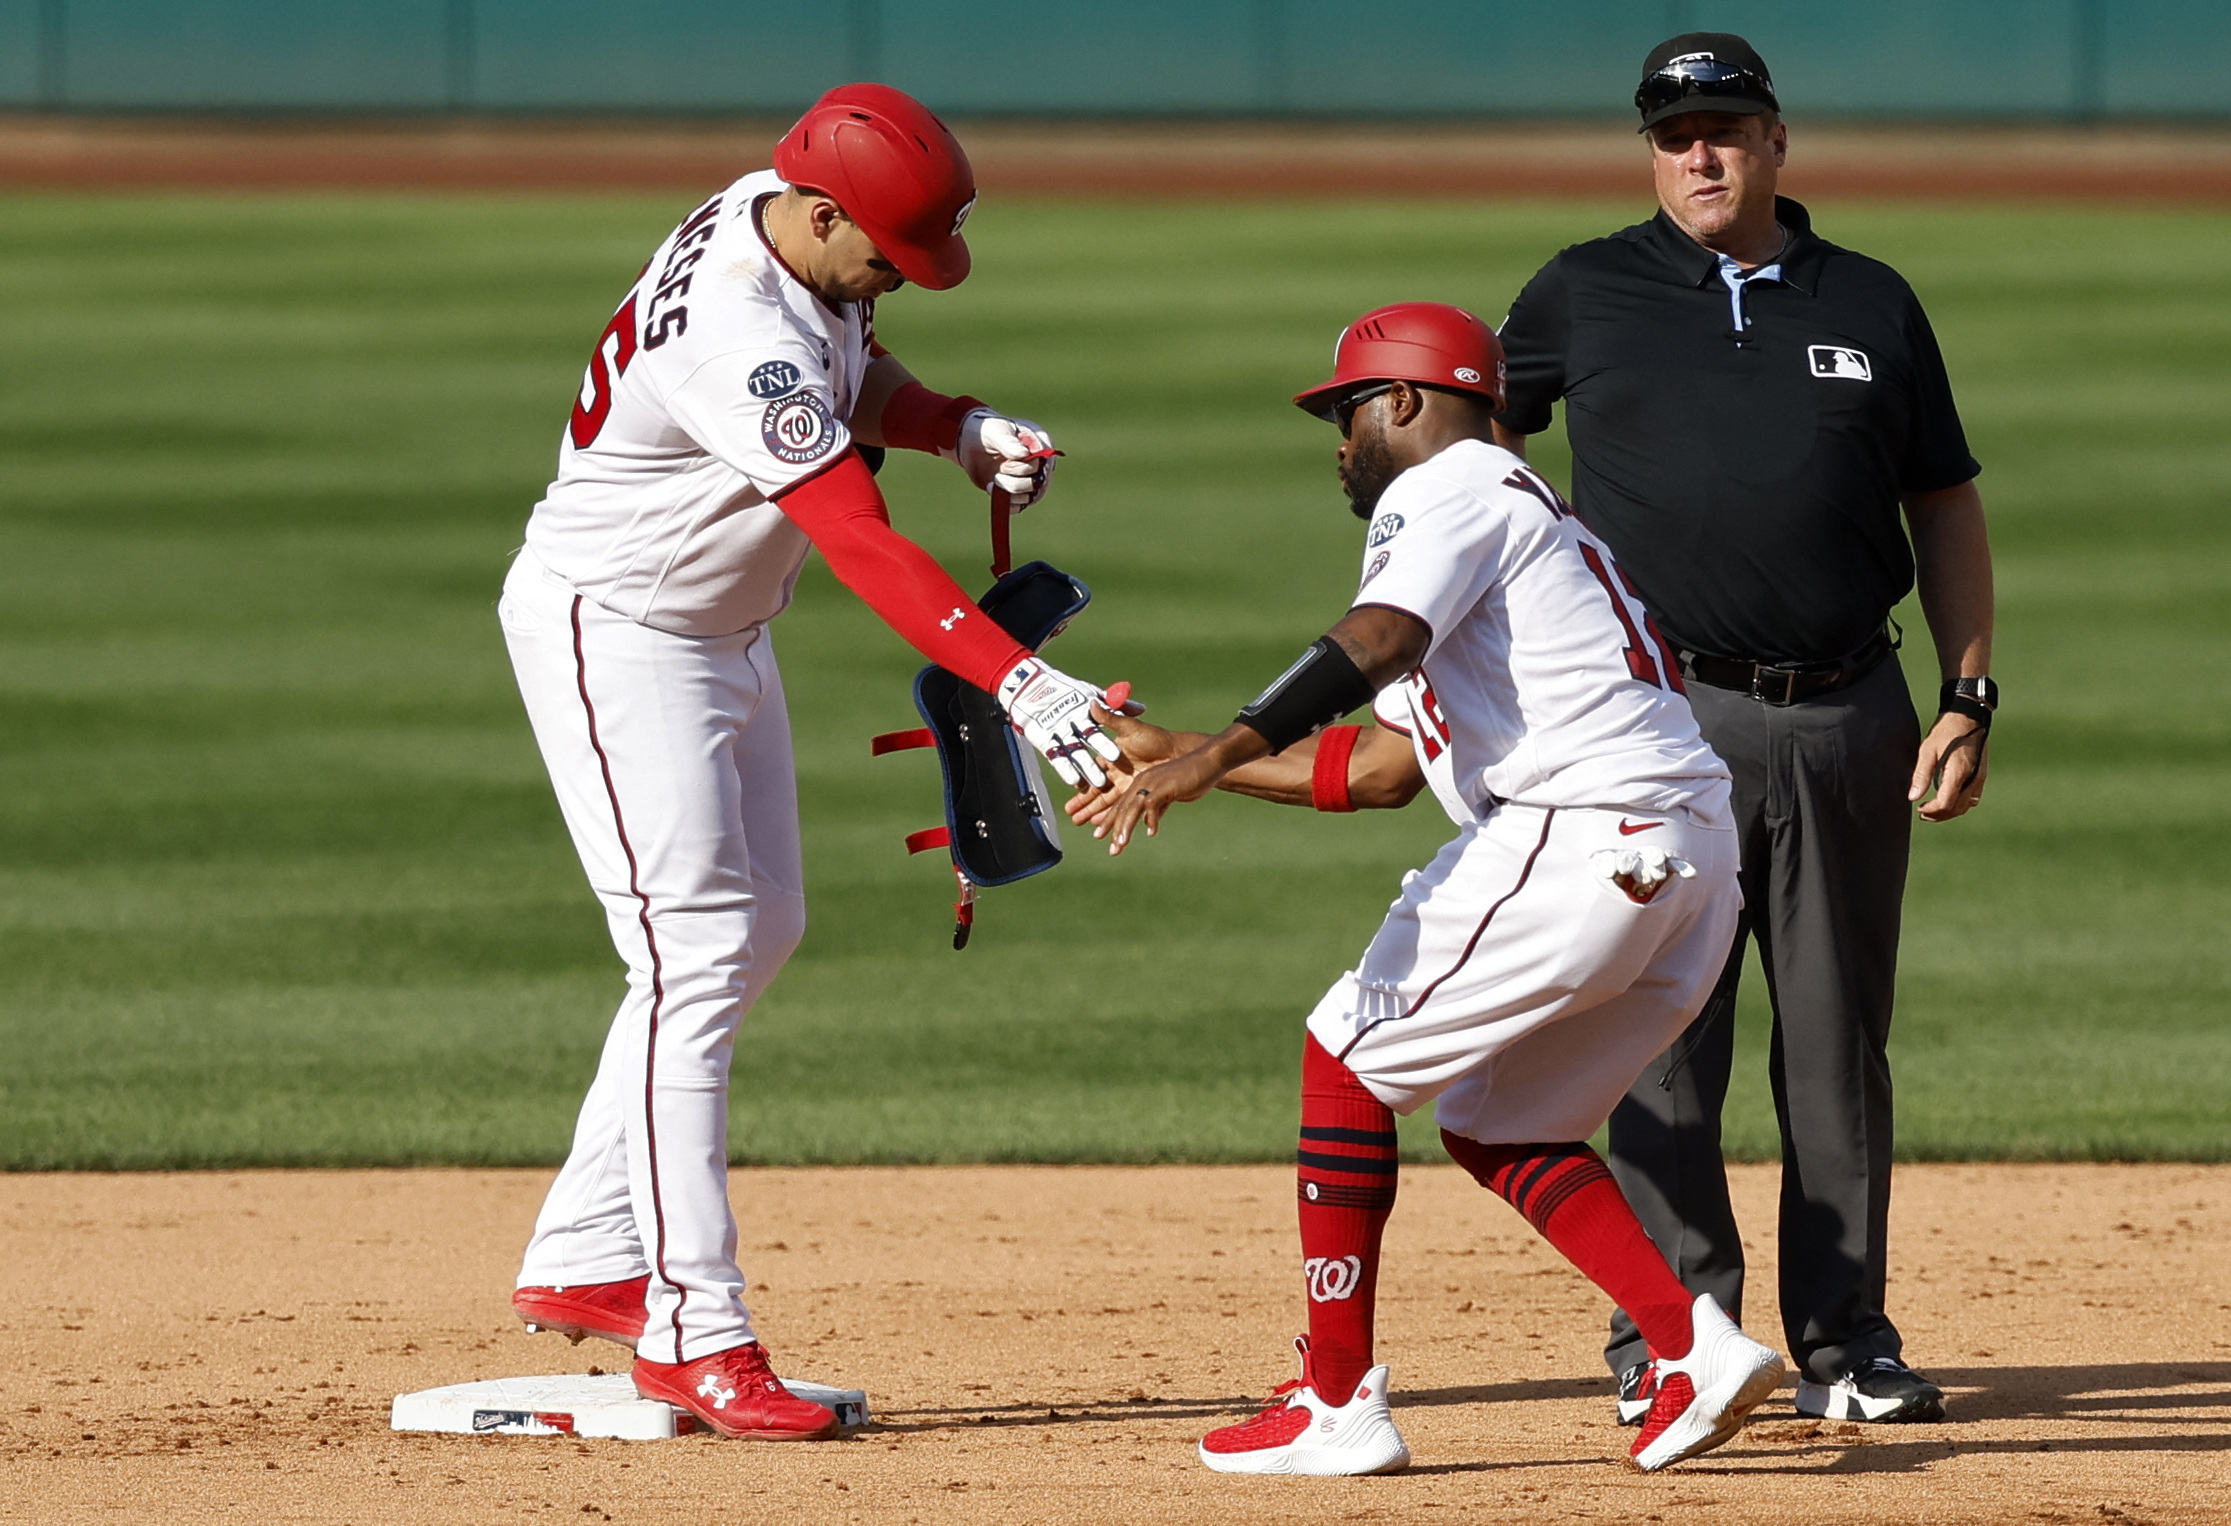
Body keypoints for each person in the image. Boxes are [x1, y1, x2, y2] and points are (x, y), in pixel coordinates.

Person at [496, 84, 1124, 1441]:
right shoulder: (734, 324)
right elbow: (854, 533)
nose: (902, 274)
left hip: (714, 626)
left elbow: (855, 370)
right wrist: (1014, 676)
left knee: (756, 924)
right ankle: (690, 1327)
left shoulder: (777, 215)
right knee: (693, 948)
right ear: (827, 210)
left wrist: (952, 420)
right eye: (891, 249)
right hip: (617, 632)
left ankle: (591, 1248)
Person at [1078, 302, 1785, 1477]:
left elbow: (1377, 637)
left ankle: (1336, 1400)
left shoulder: (1451, 483)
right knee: (1503, 1119)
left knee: (1343, 1057)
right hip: (1689, 857)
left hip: (1578, 827)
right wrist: (1183, 746)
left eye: (1346, 412)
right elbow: (1385, 766)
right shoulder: (1523, 522)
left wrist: (1214, 756)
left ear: (1404, 401)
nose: (1339, 441)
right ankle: (1691, 1342)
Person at [1491, 33, 1996, 1427]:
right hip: (1652, 729)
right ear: (1649, 149)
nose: (1697, 153)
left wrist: (1965, 692)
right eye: (1673, 133)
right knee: (1658, 1034)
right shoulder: (1583, 292)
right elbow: (1472, 447)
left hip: (1847, 715)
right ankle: (1674, 1333)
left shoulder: (1872, 302)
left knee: (1836, 1043)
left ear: (1777, 139)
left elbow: (1942, 500)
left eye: (1723, 126)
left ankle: (1845, 1343)